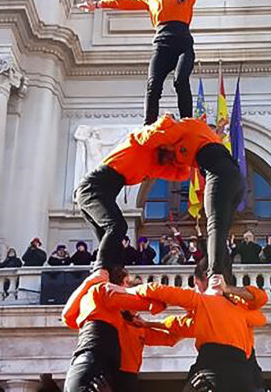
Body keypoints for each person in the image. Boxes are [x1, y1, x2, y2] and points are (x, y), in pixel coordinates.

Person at [76, 115, 242, 283]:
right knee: (116, 226)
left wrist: (180, 150)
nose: (172, 160)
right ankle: (99, 271)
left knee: (114, 243)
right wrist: (170, 125)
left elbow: (183, 174)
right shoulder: (139, 142)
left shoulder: (154, 166)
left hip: (103, 193)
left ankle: (112, 277)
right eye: (171, 153)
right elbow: (150, 132)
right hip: (92, 188)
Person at [115, 274, 266, 392]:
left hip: (212, 370)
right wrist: (150, 324)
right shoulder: (241, 310)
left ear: (201, 284)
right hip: (242, 379)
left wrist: (126, 291)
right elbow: (261, 311)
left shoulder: (200, 300)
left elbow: (158, 291)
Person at [83, 0, 202, 124]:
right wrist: (97, 4)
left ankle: (187, 122)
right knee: (153, 85)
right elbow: (124, 1)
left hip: (183, 43)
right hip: (162, 44)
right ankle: (148, 125)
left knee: (180, 80)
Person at [61, 269, 172, 392]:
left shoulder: (138, 326)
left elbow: (171, 337)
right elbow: (68, 316)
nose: (128, 290)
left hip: (127, 382)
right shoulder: (109, 314)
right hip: (109, 378)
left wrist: (148, 324)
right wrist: (91, 282)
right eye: (127, 285)